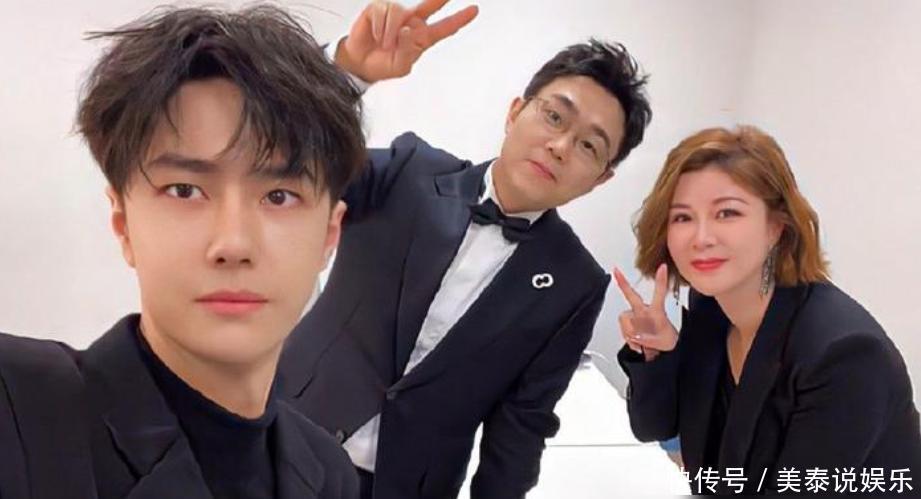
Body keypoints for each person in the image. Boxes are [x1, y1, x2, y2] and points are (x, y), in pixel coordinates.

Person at [278, 1, 653, 498]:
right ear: (515, 112)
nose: (561, 146)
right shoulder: (410, 170)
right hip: (282, 439)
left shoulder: (575, 284)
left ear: (600, 179)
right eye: (554, 116)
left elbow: (521, 429)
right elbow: (292, 163)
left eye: (589, 146)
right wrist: (347, 74)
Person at [0, 5, 365, 498]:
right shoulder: (20, 409)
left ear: (329, 235)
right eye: (185, 191)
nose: (233, 244)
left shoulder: (327, 473)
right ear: (123, 223)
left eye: (279, 196)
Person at [615, 125, 921, 494]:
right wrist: (658, 356)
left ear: (776, 226)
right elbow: (655, 427)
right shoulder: (711, 309)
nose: (701, 237)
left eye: (727, 213)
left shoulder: (844, 354)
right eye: (682, 217)